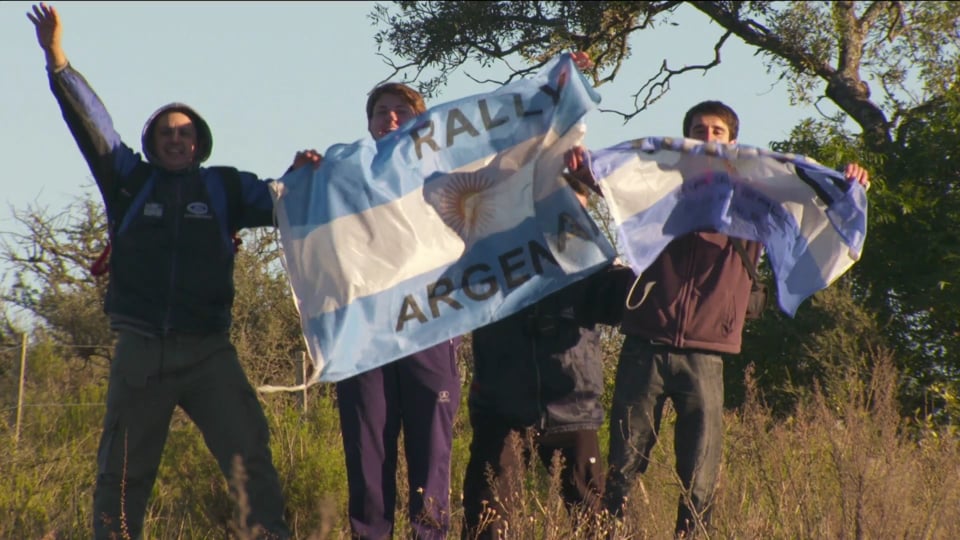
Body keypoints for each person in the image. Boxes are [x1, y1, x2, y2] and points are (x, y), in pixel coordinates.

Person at [28, 4, 290, 538]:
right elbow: (92, 125)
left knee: (252, 465)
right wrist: (58, 60)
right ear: (151, 143)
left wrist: (313, 172)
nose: (176, 138)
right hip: (141, 354)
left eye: (186, 132)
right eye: (166, 132)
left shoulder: (225, 187)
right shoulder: (128, 181)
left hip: (209, 351)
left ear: (199, 143)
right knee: (121, 476)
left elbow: (292, 202)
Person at [567, 100, 869, 538]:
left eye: (717, 132)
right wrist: (582, 166)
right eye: (699, 130)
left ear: (732, 140)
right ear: (686, 137)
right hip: (644, 346)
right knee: (622, 471)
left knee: (700, 480)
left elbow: (817, 202)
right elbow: (609, 183)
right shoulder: (660, 185)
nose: (708, 138)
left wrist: (851, 183)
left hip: (707, 355)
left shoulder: (756, 194)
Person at [295, 83, 462, 539]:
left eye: (401, 111)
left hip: (430, 329)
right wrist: (303, 176)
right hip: (365, 337)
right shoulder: (343, 179)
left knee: (432, 459)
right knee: (369, 460)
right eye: (381, 111)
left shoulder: (446, 175)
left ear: (421, 122)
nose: (390, 117)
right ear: (368, 123)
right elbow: (299, 210)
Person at [461, 172, 635, 539]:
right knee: (486, 522)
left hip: (573, 403)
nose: (565, 207)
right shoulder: (492, 253)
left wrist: (621, 224)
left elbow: (627, 303)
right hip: (501, 406)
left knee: (593, 523)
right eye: (554, 199)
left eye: (575, 199)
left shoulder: (595, 260)